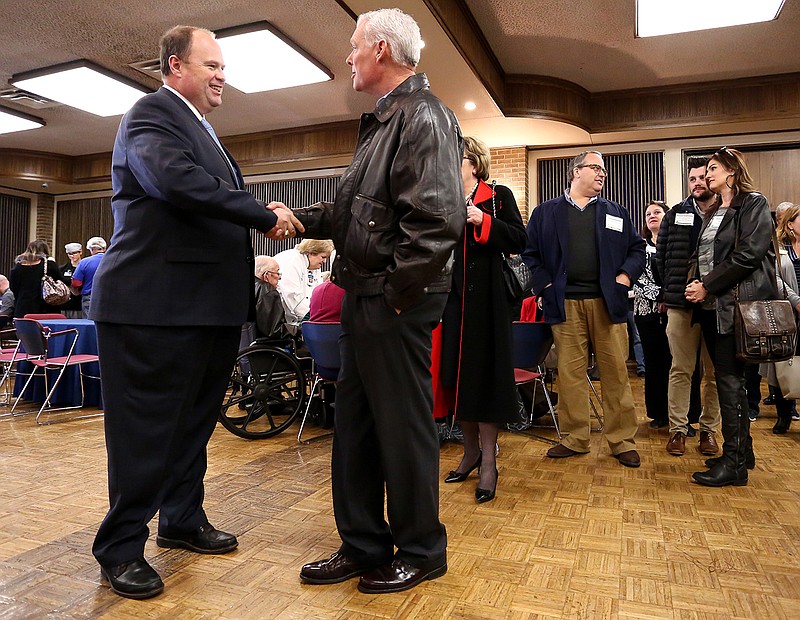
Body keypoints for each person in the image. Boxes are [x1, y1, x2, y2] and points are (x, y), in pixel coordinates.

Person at [89, 25, 301, 600]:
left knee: (192, 426)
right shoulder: (151, 113)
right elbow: (176, 184)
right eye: (210, 65)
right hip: (151, 306)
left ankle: (180, 519)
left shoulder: (203, 130)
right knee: (145, 432)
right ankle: (121, 546)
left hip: (203, 309)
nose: (221, 76)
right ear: (174, 66)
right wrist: (261, 216)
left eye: (223, 67)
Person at [294, 8, 464, 594]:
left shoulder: (425, 115)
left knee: (404, 428)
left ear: (383, 51)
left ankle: (421, 549)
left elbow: (437, 223)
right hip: (366, 295)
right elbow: (353, 213)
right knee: (359, 429)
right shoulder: (385, 121)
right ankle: (364, 544)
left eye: (354, 46)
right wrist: (298, 218)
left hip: (393, 299)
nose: (348, 56)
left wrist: (394, 294)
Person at [522, 150, 645, 467]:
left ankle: (621, 441)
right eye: (596, 168)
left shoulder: (616, 211)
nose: (603, 173)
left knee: (616, 374)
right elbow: (531, 255)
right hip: (565, 304)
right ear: (575, 172)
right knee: (571, 374)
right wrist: (545, 286)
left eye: (603, 169)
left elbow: (636, 248)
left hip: (608, 303)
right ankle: (575, 438)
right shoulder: (545, 213)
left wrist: (624, 277)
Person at [440, 136, 526, 503]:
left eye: (454, 158)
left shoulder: (498, 194)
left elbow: (520, 239)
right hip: (452, 301)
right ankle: (470, 452)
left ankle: (488, 462)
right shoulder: (443, 199)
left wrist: (484, 221)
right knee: (457, 377)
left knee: (487, 378)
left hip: (489, 303)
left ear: (473, 163)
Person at [685, 147, 775, 487]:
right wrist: (695, 282)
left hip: (734, 308)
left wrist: (706, 285)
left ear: (731, 172)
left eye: (713, 168)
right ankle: (743, 451)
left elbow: (748, 255)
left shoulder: (753, 203)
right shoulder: (714, 210)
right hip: (711, 309)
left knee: (731, 384)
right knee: (729, 381)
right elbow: (702, 253)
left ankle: (735, 464)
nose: (707, 175)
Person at [654, 156, 720, 456]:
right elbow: (662, 259)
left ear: (712, 179)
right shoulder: (676, 214)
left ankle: (708, 430)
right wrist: (670, 294)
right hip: (681, 305)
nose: (696, 183)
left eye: (702, 178)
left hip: (718, 305)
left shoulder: (727, 212)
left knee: (714, 373)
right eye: (692, 178)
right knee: (680, 369)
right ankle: (678, 430)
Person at [632, 201, 671, 429]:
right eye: (648, 213)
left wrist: (669, 297)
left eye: (657, 212)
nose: (652, 216)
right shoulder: (639, 247)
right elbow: (636, 277)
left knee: (674, 364)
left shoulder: (675, 244)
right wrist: (659, 297)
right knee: (654, 365)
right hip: (646, 313)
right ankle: (657, 413)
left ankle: (680, 414)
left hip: (674, 311)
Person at [770, 204, 800, 433]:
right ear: (790, 224)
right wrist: (796, 300)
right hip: (788, 311)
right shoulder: (779, 250)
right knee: (786, 361)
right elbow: (775, 278)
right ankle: (784, 414)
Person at [273, 239, 333, 327]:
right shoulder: (291, 260)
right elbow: (292, 296)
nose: (324, 262)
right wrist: (313, 319)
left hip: (300, 320)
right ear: (311, 252)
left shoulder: (313, 265)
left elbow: (316, 296)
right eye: (323, 257)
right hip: (282, 321)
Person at [8, 240, 62, 318]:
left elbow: (13, 288)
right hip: (47, 308)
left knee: (25, 329)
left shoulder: (17, 268)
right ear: (45, 251)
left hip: (23, 308)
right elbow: (60, 281)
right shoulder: (49, 265)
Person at [253, 255, 289, 340]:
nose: (279, 277)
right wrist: (297, 330)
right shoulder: (268, 291)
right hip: (265, 346)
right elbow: (274, 330)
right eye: (277, 272)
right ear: (266, 275)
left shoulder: (246, 285)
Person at [71, 236, 106, 318]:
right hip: (109, 296)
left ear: (92, 249)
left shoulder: (85, 262)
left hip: (90, 297)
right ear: (104, 249)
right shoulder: (113, 260)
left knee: (89, 324)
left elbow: (76, 283)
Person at [59, 242, 84, 319]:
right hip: (65, 304)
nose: (72, 256)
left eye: (74, 253)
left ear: (80, 252)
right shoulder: (63, 268)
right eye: (69, 254)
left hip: (79, 304)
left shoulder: (84, 267)